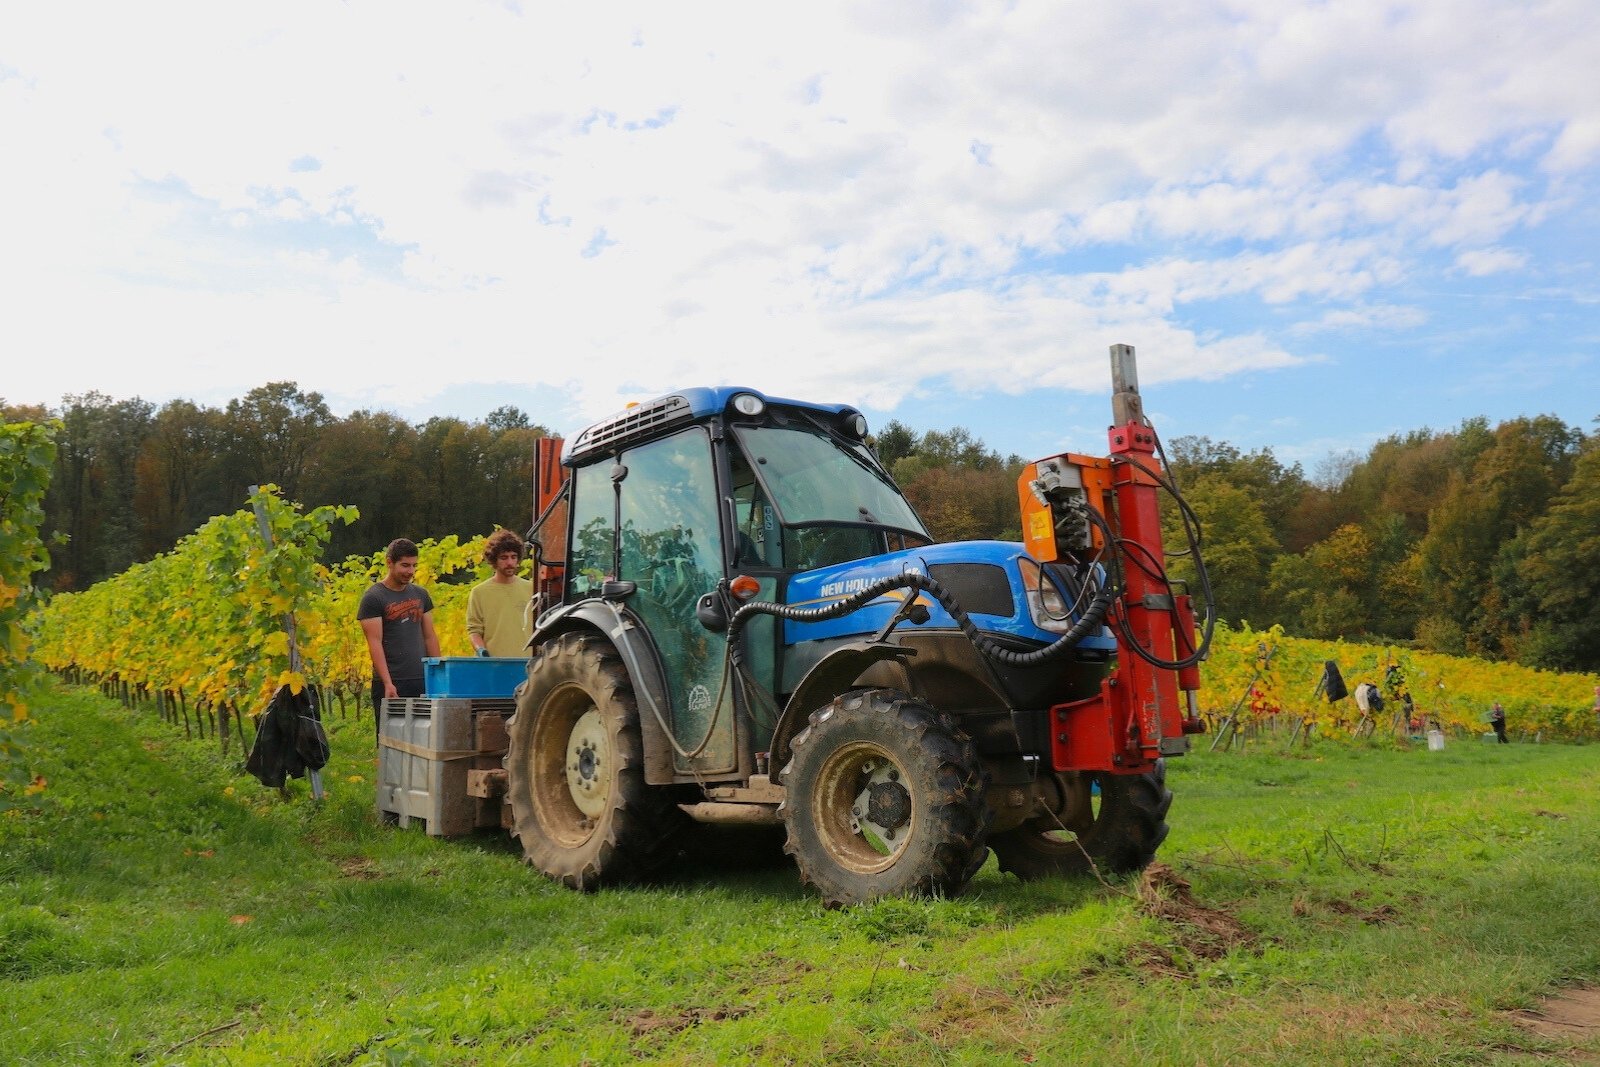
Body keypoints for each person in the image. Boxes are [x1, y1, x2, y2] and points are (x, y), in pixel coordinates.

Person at [357, 538, 440, 733]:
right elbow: (374, 643)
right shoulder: (374, 598)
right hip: (392, 681)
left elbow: (429, 636)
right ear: (389, 562)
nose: (410, 571)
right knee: (391, 742)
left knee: (423, 739)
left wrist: (437, 677)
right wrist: (387, 683)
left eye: (413, 566)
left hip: (421, 678)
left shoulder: (421, 595)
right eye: (404, 565)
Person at [466, 529, 534, 658]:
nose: (509, 563)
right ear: (493, 560)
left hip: (528, 664)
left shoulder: (532, 589)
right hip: (493, 666)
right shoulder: (479, 592)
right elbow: (474, 630)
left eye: (513, 557)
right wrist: (482, 652)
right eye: (504, 557)